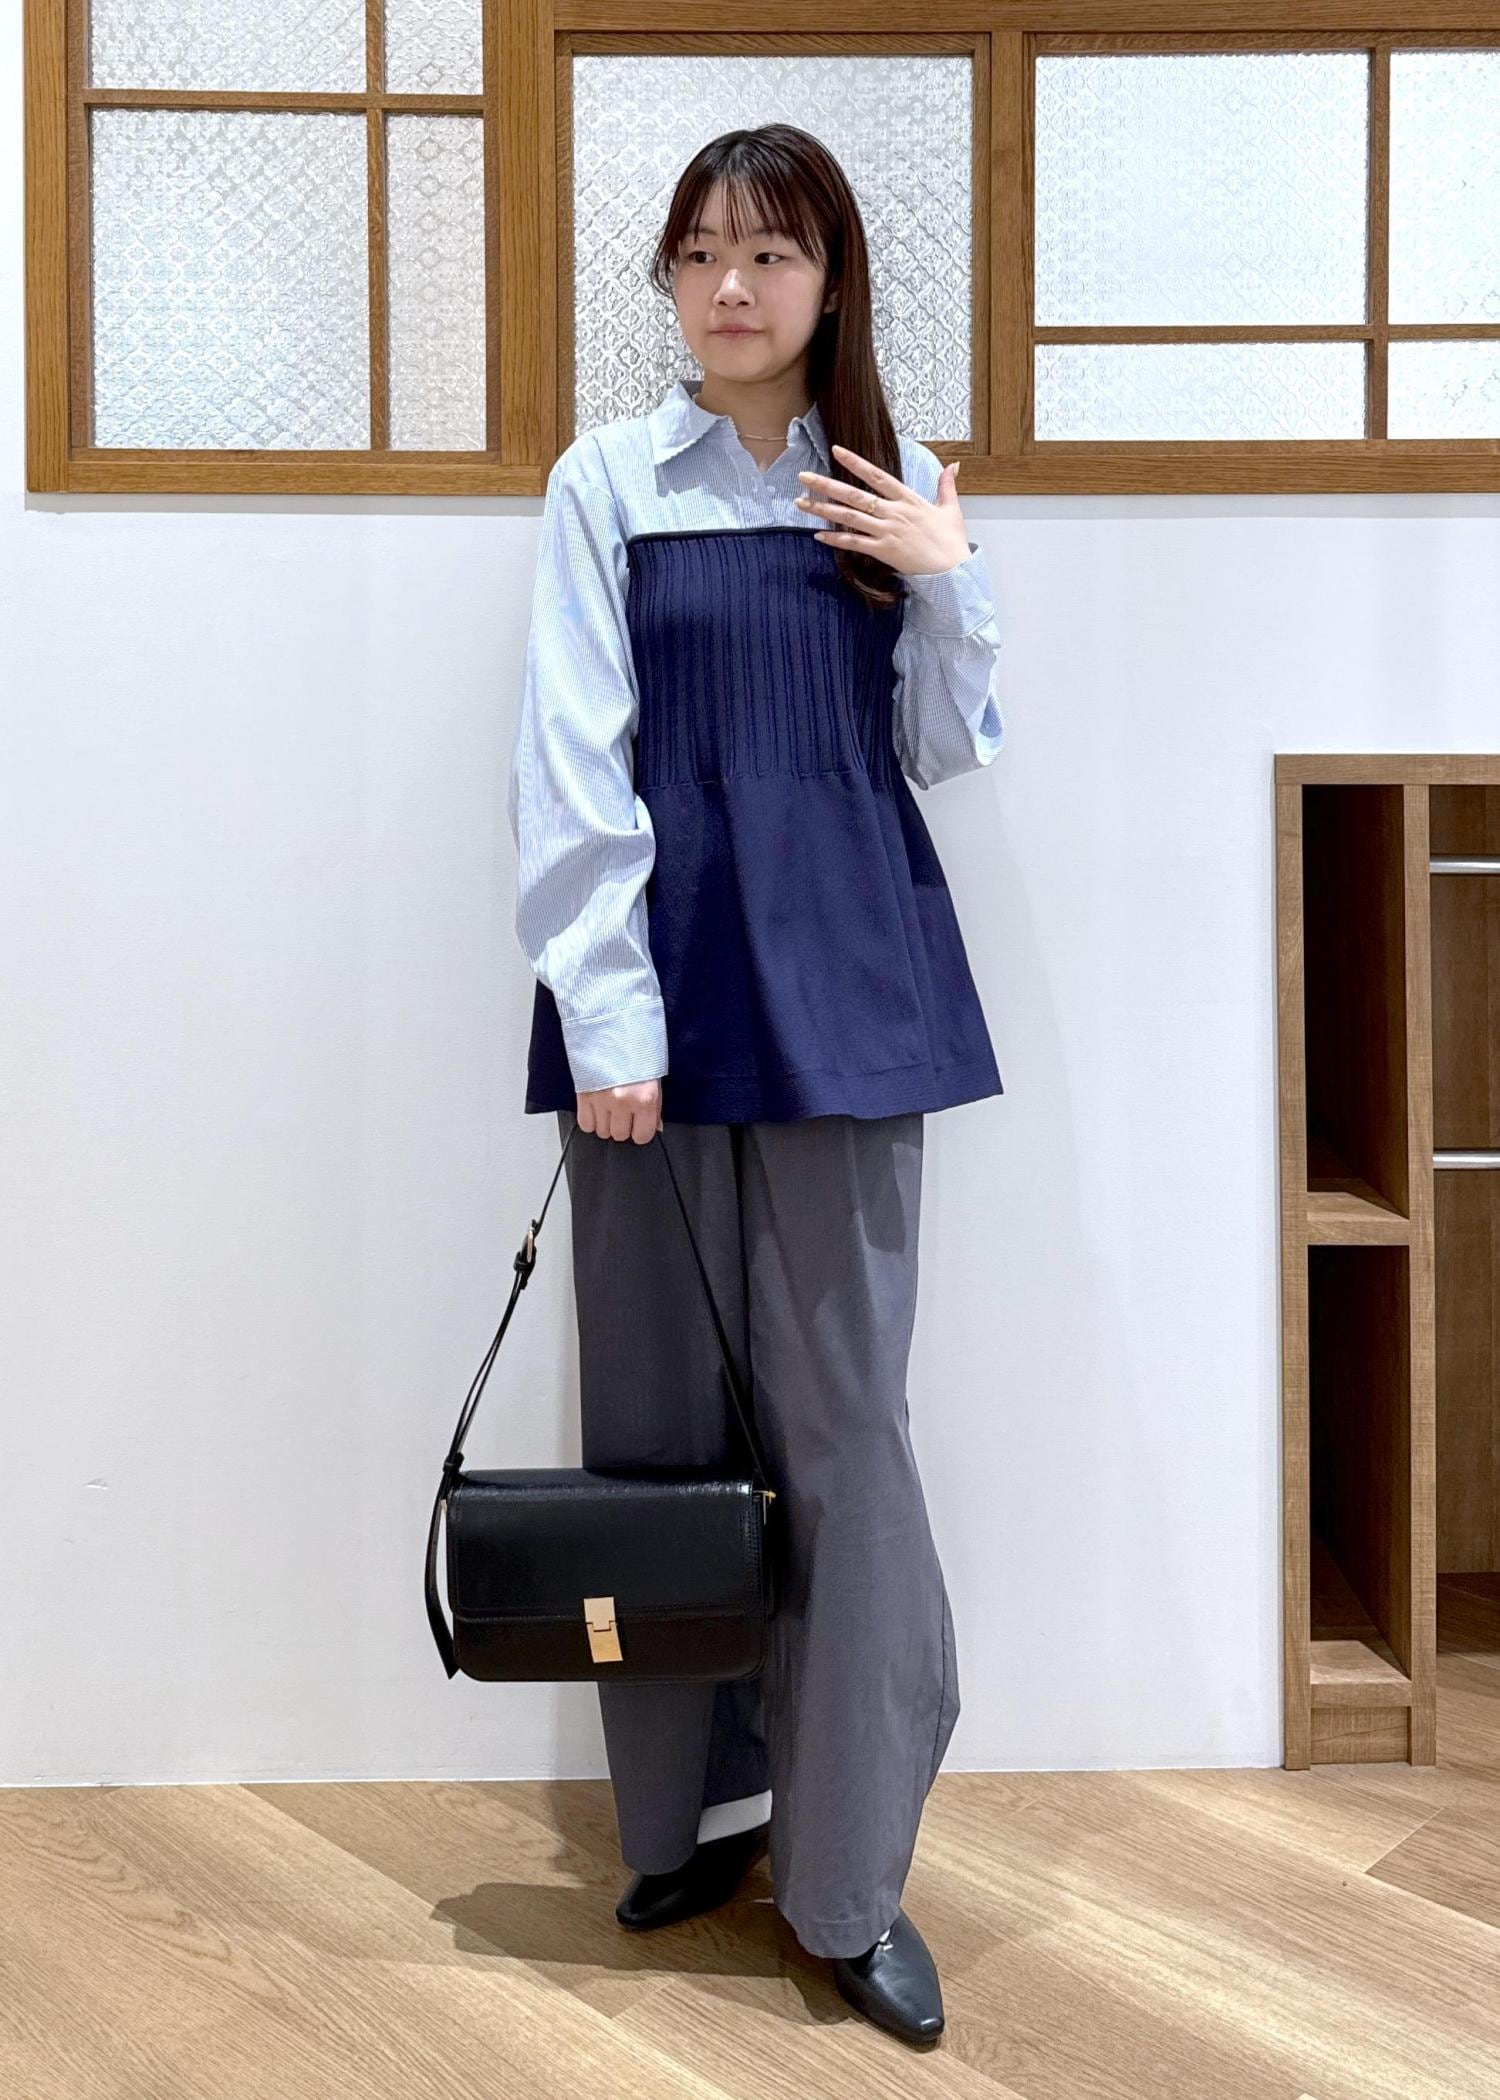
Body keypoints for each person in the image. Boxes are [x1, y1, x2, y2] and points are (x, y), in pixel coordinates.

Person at [506, 122, 1005, 2048]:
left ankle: (848, 1873)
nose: (733, 286)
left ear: (829, 281)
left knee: (843, 1430)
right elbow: (572, 753)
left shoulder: (886, 481)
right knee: (656, 1421)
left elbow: (946, 747)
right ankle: (683, 1821)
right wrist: (611, 1016)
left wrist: (947, 576)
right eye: (703, 251)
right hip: (652, 1003)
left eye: (773, 253)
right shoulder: (608, 482)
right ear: (670, 276)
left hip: (850, 991)